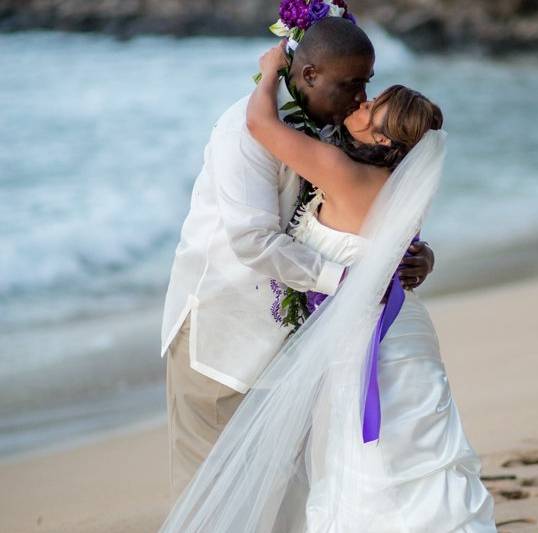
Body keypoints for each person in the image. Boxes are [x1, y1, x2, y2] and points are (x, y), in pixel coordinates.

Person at [159, 38, 496, 532]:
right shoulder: (264, 134)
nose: (362, 98)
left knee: (338, 478)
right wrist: (367, 273)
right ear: (312, 74)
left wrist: (271, 69)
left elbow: (273, 135)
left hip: (346, 340)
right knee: (217, 494)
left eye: (368, 91)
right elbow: (253, 239)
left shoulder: (340, 155)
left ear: (387, 143)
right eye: (356, 85)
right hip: (227, 336)